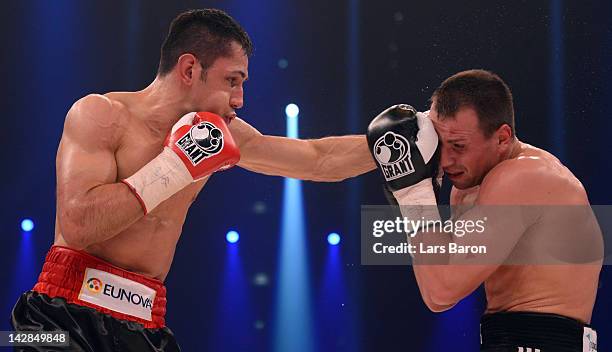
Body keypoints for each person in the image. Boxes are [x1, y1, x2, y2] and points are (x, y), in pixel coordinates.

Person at [10, 9, 375, 351]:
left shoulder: (218, 135)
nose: (240, 99)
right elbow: (78, 226)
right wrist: (173, 166)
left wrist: (405, 140)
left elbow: (317, 160)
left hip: (145, 321)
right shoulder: (102, 115)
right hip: (62, 312)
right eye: (231, 81)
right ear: (189, 69)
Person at [366, 69, 602, 351]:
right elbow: (439, 286)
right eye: (440, 145)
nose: (446, 160)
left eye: (458, 145)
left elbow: (441, 291)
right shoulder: (466, 189)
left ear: (503, 138)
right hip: (505, 338)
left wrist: (414, 194)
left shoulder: (523, 176)